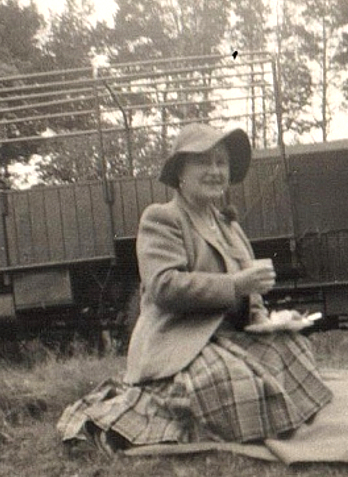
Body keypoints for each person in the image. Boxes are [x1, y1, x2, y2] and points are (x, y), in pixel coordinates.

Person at [117, 123, 332, 444]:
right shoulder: (162, 217)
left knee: (293, 348)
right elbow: (164, 286)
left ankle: (265, 419)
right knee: (234, 381)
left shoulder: (228, 224)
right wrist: (234, 285)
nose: (216, 171)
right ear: (180, 172)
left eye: (222, 162)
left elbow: (251, 295)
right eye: (204, 162)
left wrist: (268, 319)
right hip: (180, 340)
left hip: (227, 336)